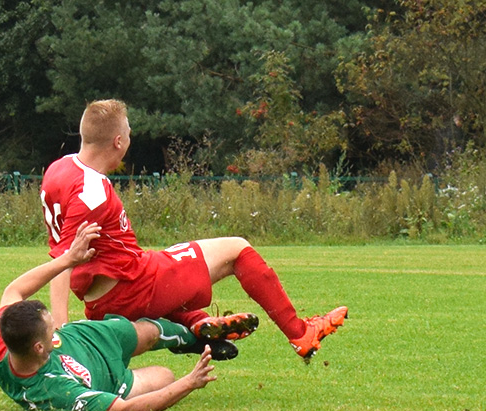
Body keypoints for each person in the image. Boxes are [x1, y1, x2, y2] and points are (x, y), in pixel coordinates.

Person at [40, 99, 347, 361]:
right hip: (134, 286)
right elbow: (65, 259)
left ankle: (196, 324)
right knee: (237, 250)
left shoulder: (59, 168)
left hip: (100, 300)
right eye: (129, 134)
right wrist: (63, 332)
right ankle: (301, 333)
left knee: (175, 263)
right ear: (118, 141)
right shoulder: (91, 189)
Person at [0, 221, 230, 411]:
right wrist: (189, 382)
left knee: (150, 332)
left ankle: (193, 336)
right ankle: (196, 338)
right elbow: (123, 409)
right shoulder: (54, 391)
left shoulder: (5, 335)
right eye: (52, 333)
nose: (56, 333)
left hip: (92, 338)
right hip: (112, 380)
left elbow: (14, 291)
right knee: (166, 377)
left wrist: (68, 259)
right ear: (39, 347)